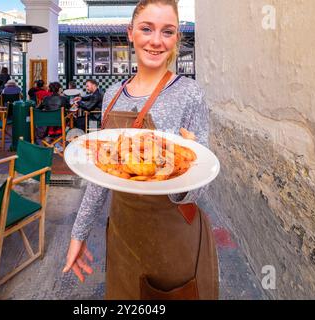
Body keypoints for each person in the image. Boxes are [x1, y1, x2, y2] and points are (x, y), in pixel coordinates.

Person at [62, 0, 218, 300]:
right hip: (122, 233)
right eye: (147, 29)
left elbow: (202, 187)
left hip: (174, 235)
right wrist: (78, 233)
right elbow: (100, 173)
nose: (156, 40)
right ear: (131, 33)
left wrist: (189, 172)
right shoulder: (111, 94)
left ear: (176, 38)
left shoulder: (190, 94)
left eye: (167, 31)